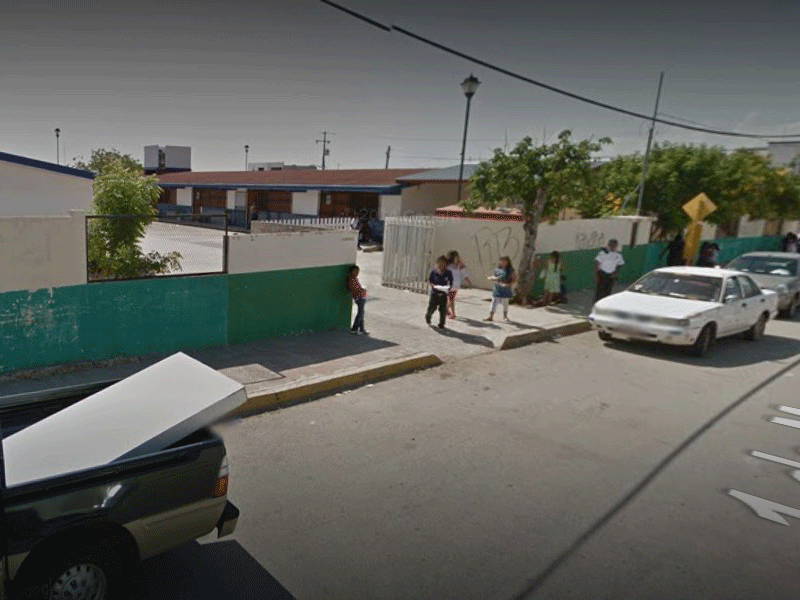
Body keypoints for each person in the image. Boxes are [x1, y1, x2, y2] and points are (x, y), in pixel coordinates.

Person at [484, 256, 516, 322]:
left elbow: (514, 278)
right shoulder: (497, 269)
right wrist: (491, 278)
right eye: (501, 261)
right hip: (497, 288)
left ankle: (505, 316)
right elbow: (496, 277)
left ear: (508, 262)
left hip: (506, 288)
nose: (502, 262)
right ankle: (491, 316)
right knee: (494, 301)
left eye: (504, 261)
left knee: (505, 302)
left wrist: (510, 284)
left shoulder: (510, 270)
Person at [426, 256, 453, 329]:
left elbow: (450, 282)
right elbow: (430, 281)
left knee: (442, 310)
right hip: (434, 294)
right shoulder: (434, 271)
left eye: (444, 263)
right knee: (431, 308)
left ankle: (441, 323)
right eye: (440, 262)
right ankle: (428, 317)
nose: (442, 264)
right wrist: (433, 286)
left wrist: (448, 288)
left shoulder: (448, 272)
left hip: (443, 294)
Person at [445, 250, 473, 319]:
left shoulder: (451, 265)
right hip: (453, 285)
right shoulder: (456, 265)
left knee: (451, 299)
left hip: (452, 285)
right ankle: (452, 313)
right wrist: (469, 282)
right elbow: (465, 275)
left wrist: (469, 282)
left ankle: (447, 310)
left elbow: (464, 274)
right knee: (451, 299)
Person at [346, 265, 368, 335]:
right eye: (355, 271)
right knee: (360, 314)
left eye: (358, 272)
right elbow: (355, 289)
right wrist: (362, 291)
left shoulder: (354, 279)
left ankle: (361, 329)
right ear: (351, 272)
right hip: (359, 297)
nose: (357, 273)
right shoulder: (352, 280)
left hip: (360, 297)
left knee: (361, 313)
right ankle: (355, 328)